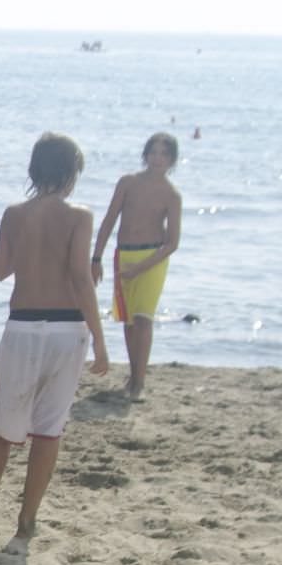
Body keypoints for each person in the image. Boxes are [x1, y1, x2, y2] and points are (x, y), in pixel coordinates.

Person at [0, 133, 110, 551]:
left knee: (2, 428)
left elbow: (1, 270)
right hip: (66, 327)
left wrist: (30, 245)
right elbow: (79, 276)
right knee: (48, 430)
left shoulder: (14, 213)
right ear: (72, 173)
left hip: (21, 326)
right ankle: (25, 526)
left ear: (34, 170)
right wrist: (102, 339)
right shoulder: (79, 215)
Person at [92, 131, 182, 400]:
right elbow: (108, 222)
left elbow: (172, 242)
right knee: (129, 323)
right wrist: (95, 258)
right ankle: (133, 375)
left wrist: (141, 268)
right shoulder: (128, 183)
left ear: (172, 159)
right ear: (146, 155)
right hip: (124, 255)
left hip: (152, 261)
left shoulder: (171, 195)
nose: (158, 158)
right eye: (153, 152)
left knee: (143, 320)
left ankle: (139, 383)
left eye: (164, 154)